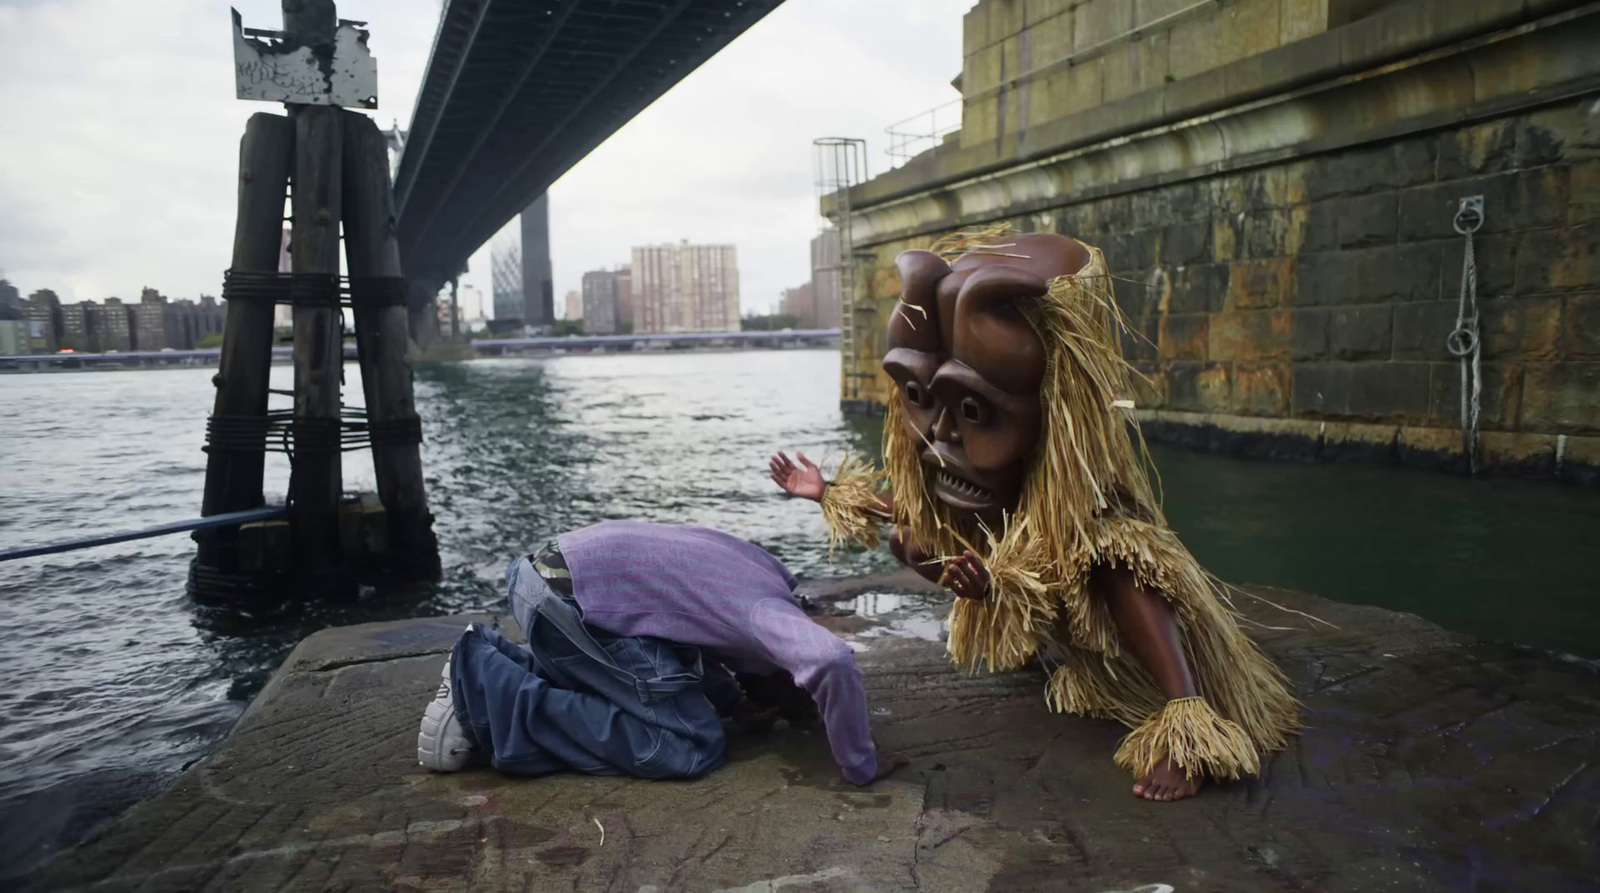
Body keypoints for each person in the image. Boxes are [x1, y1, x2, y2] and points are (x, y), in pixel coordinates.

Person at [771, 229, 1298, 802]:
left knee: (1117, 556)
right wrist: (828, 493)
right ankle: (1042, 649)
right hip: (1045, 605)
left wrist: (998, 583)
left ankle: (1187, 721)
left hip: (1092, 576)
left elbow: (1061, 551)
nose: (942, 435)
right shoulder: (962, 462)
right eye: (924, 401)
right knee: (913, 542)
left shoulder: (1082, 484)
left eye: (972, 409)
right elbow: (921, 513)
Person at [416, 520, 908, 785]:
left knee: (675, 690)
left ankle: (504, 667)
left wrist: (734, 701)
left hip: (552, 579)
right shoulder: (765, 614)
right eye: (784, 698)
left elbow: (686, 615)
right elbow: (829, 661)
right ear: (777, 663)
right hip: (568, 607)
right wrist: (861, 764)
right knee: (690, 744)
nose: (776, 706)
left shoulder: (762, 569)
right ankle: (487, 683)